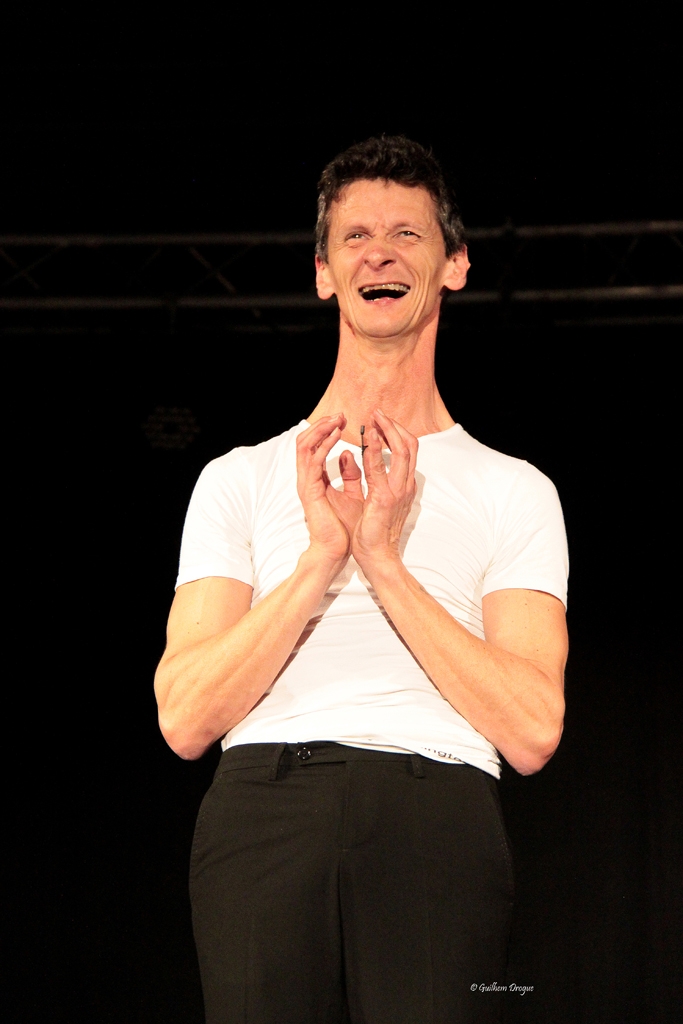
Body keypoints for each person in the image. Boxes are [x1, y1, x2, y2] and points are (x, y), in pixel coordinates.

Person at [154, 136, 569, 1024]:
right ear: (322, 273)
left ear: (454, 265)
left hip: (437, 810)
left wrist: (382, 559)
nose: (378, 252)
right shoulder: (242, 477)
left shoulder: (513, 488)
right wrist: (321, 557)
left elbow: (533, 730)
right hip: (262, 808)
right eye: (354, 237)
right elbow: (185, 719)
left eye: (408, 235)